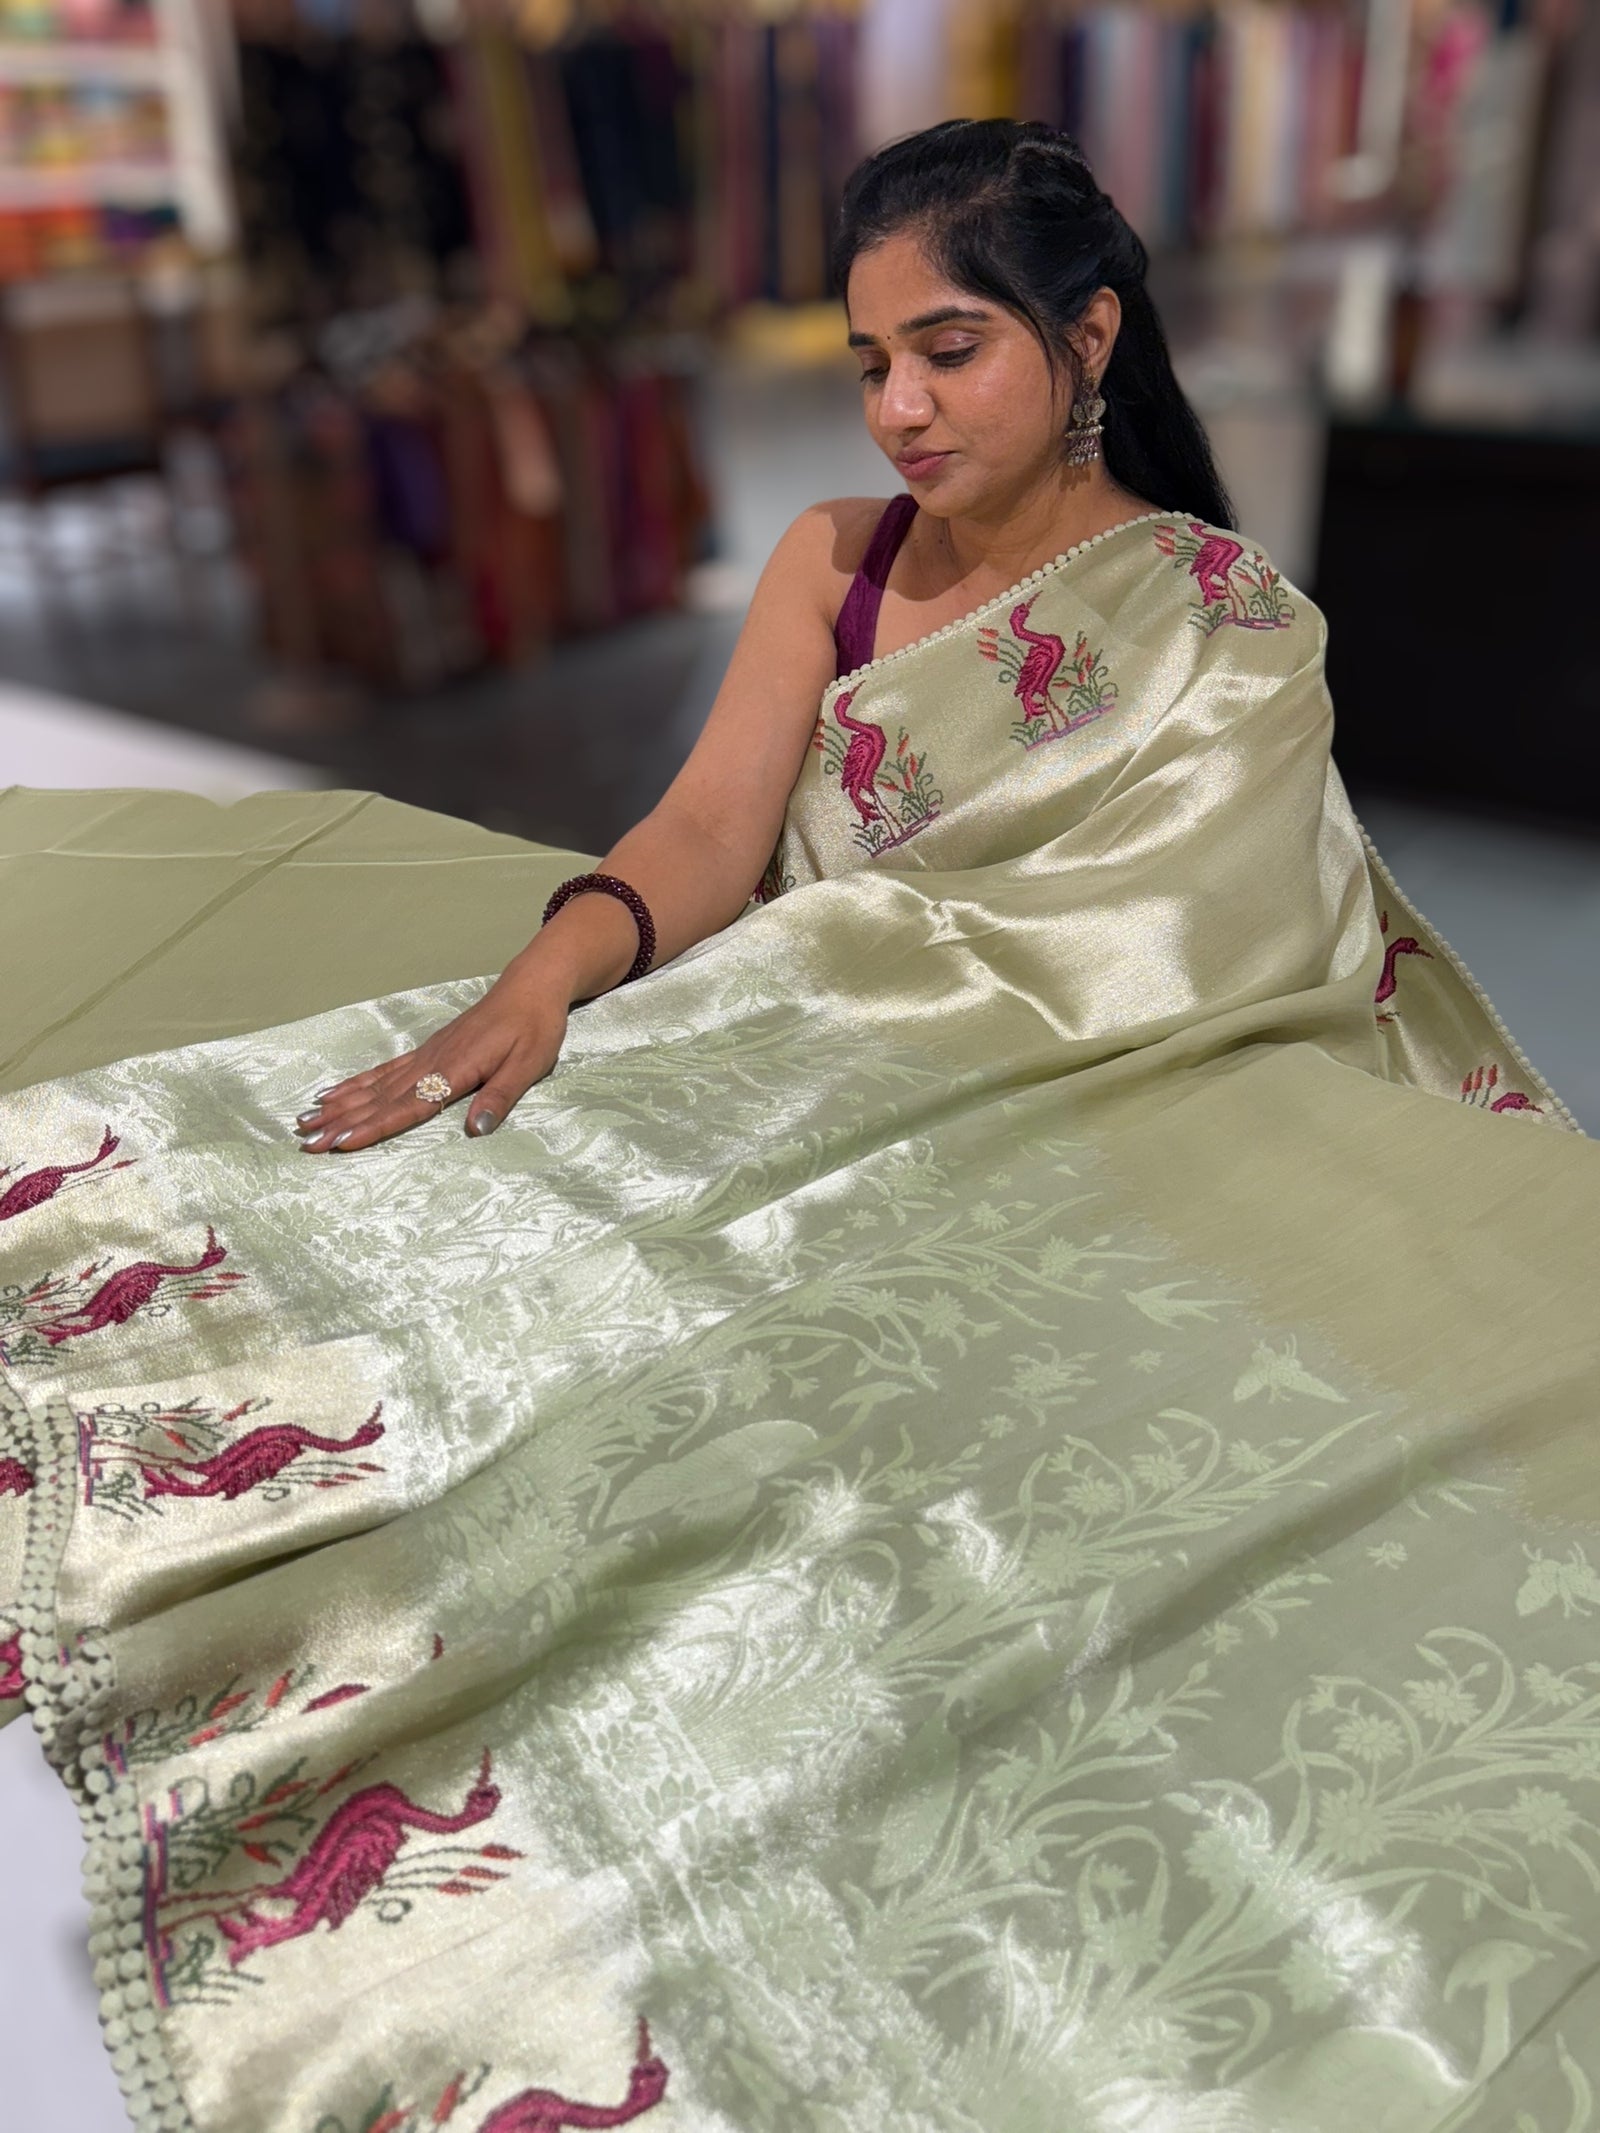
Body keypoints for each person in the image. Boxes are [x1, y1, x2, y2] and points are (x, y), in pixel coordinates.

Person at [2, 119, 1598, 2133]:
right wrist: (541, 976)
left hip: (992, 1072)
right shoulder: (830, 562)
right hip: (798, 1029)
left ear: (1083, 334)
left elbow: (1202, 938)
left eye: (948, 349)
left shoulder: (1212, 613)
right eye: (864, 362)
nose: (898, 406)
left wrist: (902, 1013)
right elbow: (702, 825)